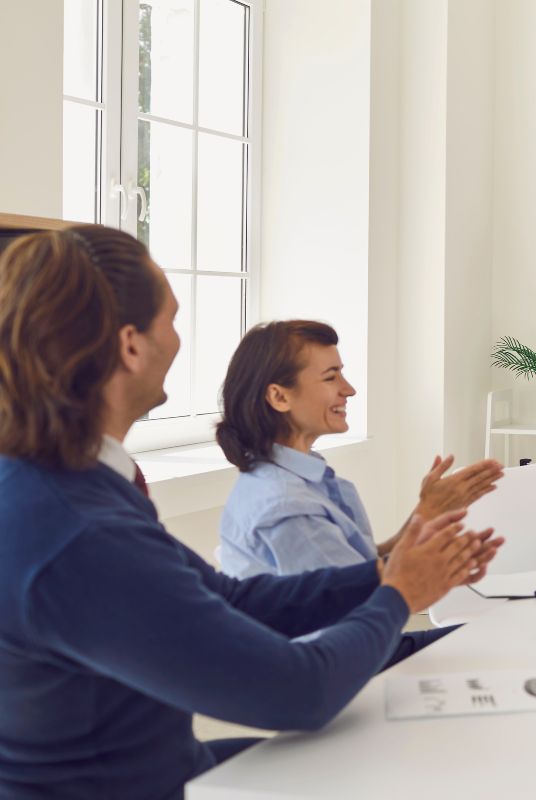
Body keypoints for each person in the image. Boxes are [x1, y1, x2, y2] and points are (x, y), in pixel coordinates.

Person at [0, 225, 503, 800]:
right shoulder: (79, 532)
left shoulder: (69, 479)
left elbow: (226, 597)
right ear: (131, 344)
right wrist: (398, 595)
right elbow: (296, 693)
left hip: (162, 768)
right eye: (173, 319)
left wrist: (384, 575)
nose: (179, 340)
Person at [216, 320, 504, 577]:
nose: (349, 389)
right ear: (279, 396)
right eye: (331, 377)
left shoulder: (301, 478)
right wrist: (437, 555)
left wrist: (427, 514)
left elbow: (361, 568)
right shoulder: (287, 508)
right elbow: (356, 604)